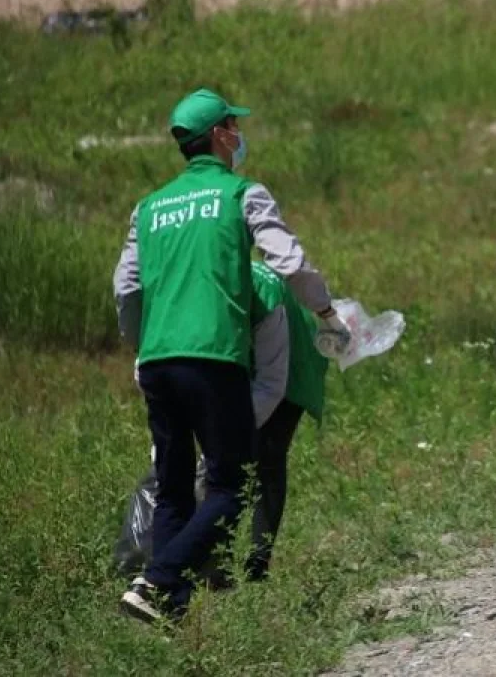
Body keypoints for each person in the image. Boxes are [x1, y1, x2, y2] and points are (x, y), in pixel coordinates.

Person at [112, 88, 349, 623]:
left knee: (173, 490)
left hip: (157, 362)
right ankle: (155, 580)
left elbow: (126, 289)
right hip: (213, 358)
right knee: (231, 486)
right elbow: (289, 260)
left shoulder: (147, 207)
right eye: (233, 127)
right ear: (219, 135)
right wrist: (327, 313)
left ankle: (168, 612)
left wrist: (140, 343)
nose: (239, 135)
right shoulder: (242, 194)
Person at [245, 260, 330, 581]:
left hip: (294, 363)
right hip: (256, 357)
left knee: (266, 455)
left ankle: (256, 563)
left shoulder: (264, 292)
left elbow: (272, 384)